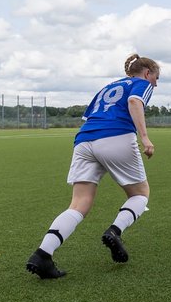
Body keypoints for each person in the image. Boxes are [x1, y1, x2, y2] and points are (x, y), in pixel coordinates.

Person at [26, 54, 159, 280]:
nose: (155, 83)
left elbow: (89, 116)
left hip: (84, 140)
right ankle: (114, 231)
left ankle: (42, 254)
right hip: (116, 136)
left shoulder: (107, 87)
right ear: (147, 73)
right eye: (156, 77)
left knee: (79, 204)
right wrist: (145, 138)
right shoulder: (141, 83)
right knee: (140, 194)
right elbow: (134, 102)